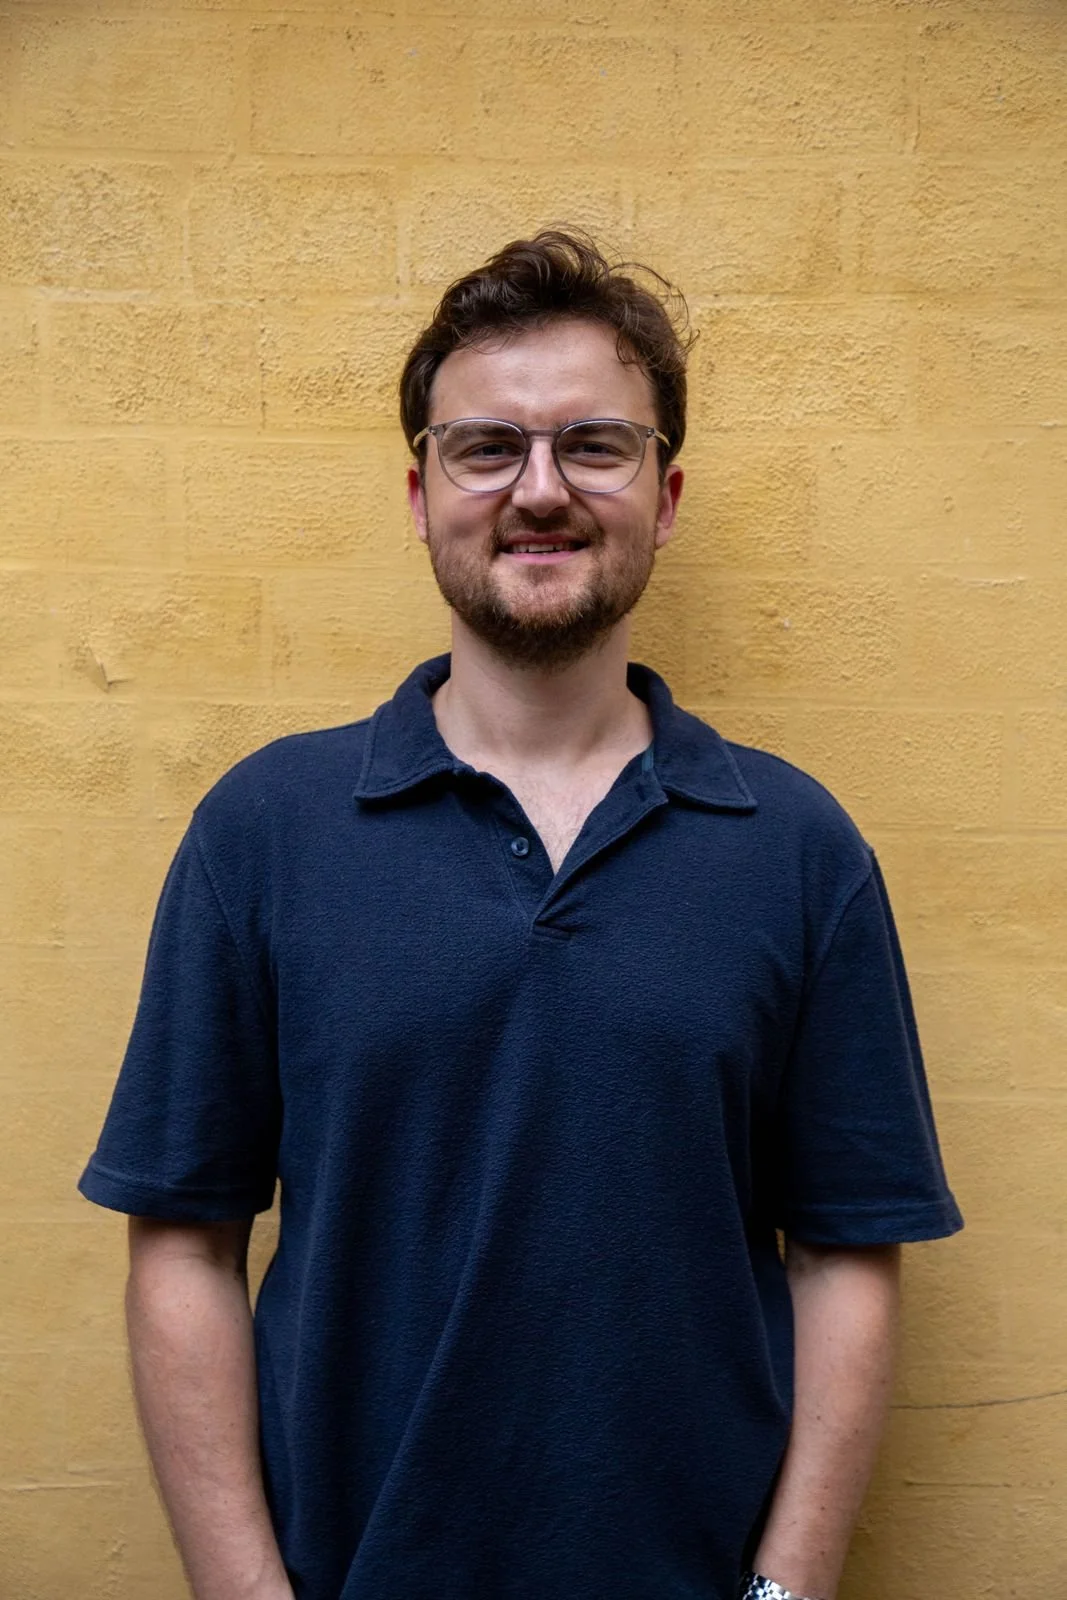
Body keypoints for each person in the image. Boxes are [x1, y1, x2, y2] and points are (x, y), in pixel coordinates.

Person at [80, 230, 962, 1600]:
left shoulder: (796, 849)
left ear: (664, 496)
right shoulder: (265, 830)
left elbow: (847, 1248)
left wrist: (783, 1595)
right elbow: (182, 1243)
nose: (538, 490)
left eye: (591, 447)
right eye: (486, 448)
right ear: (419, 491)